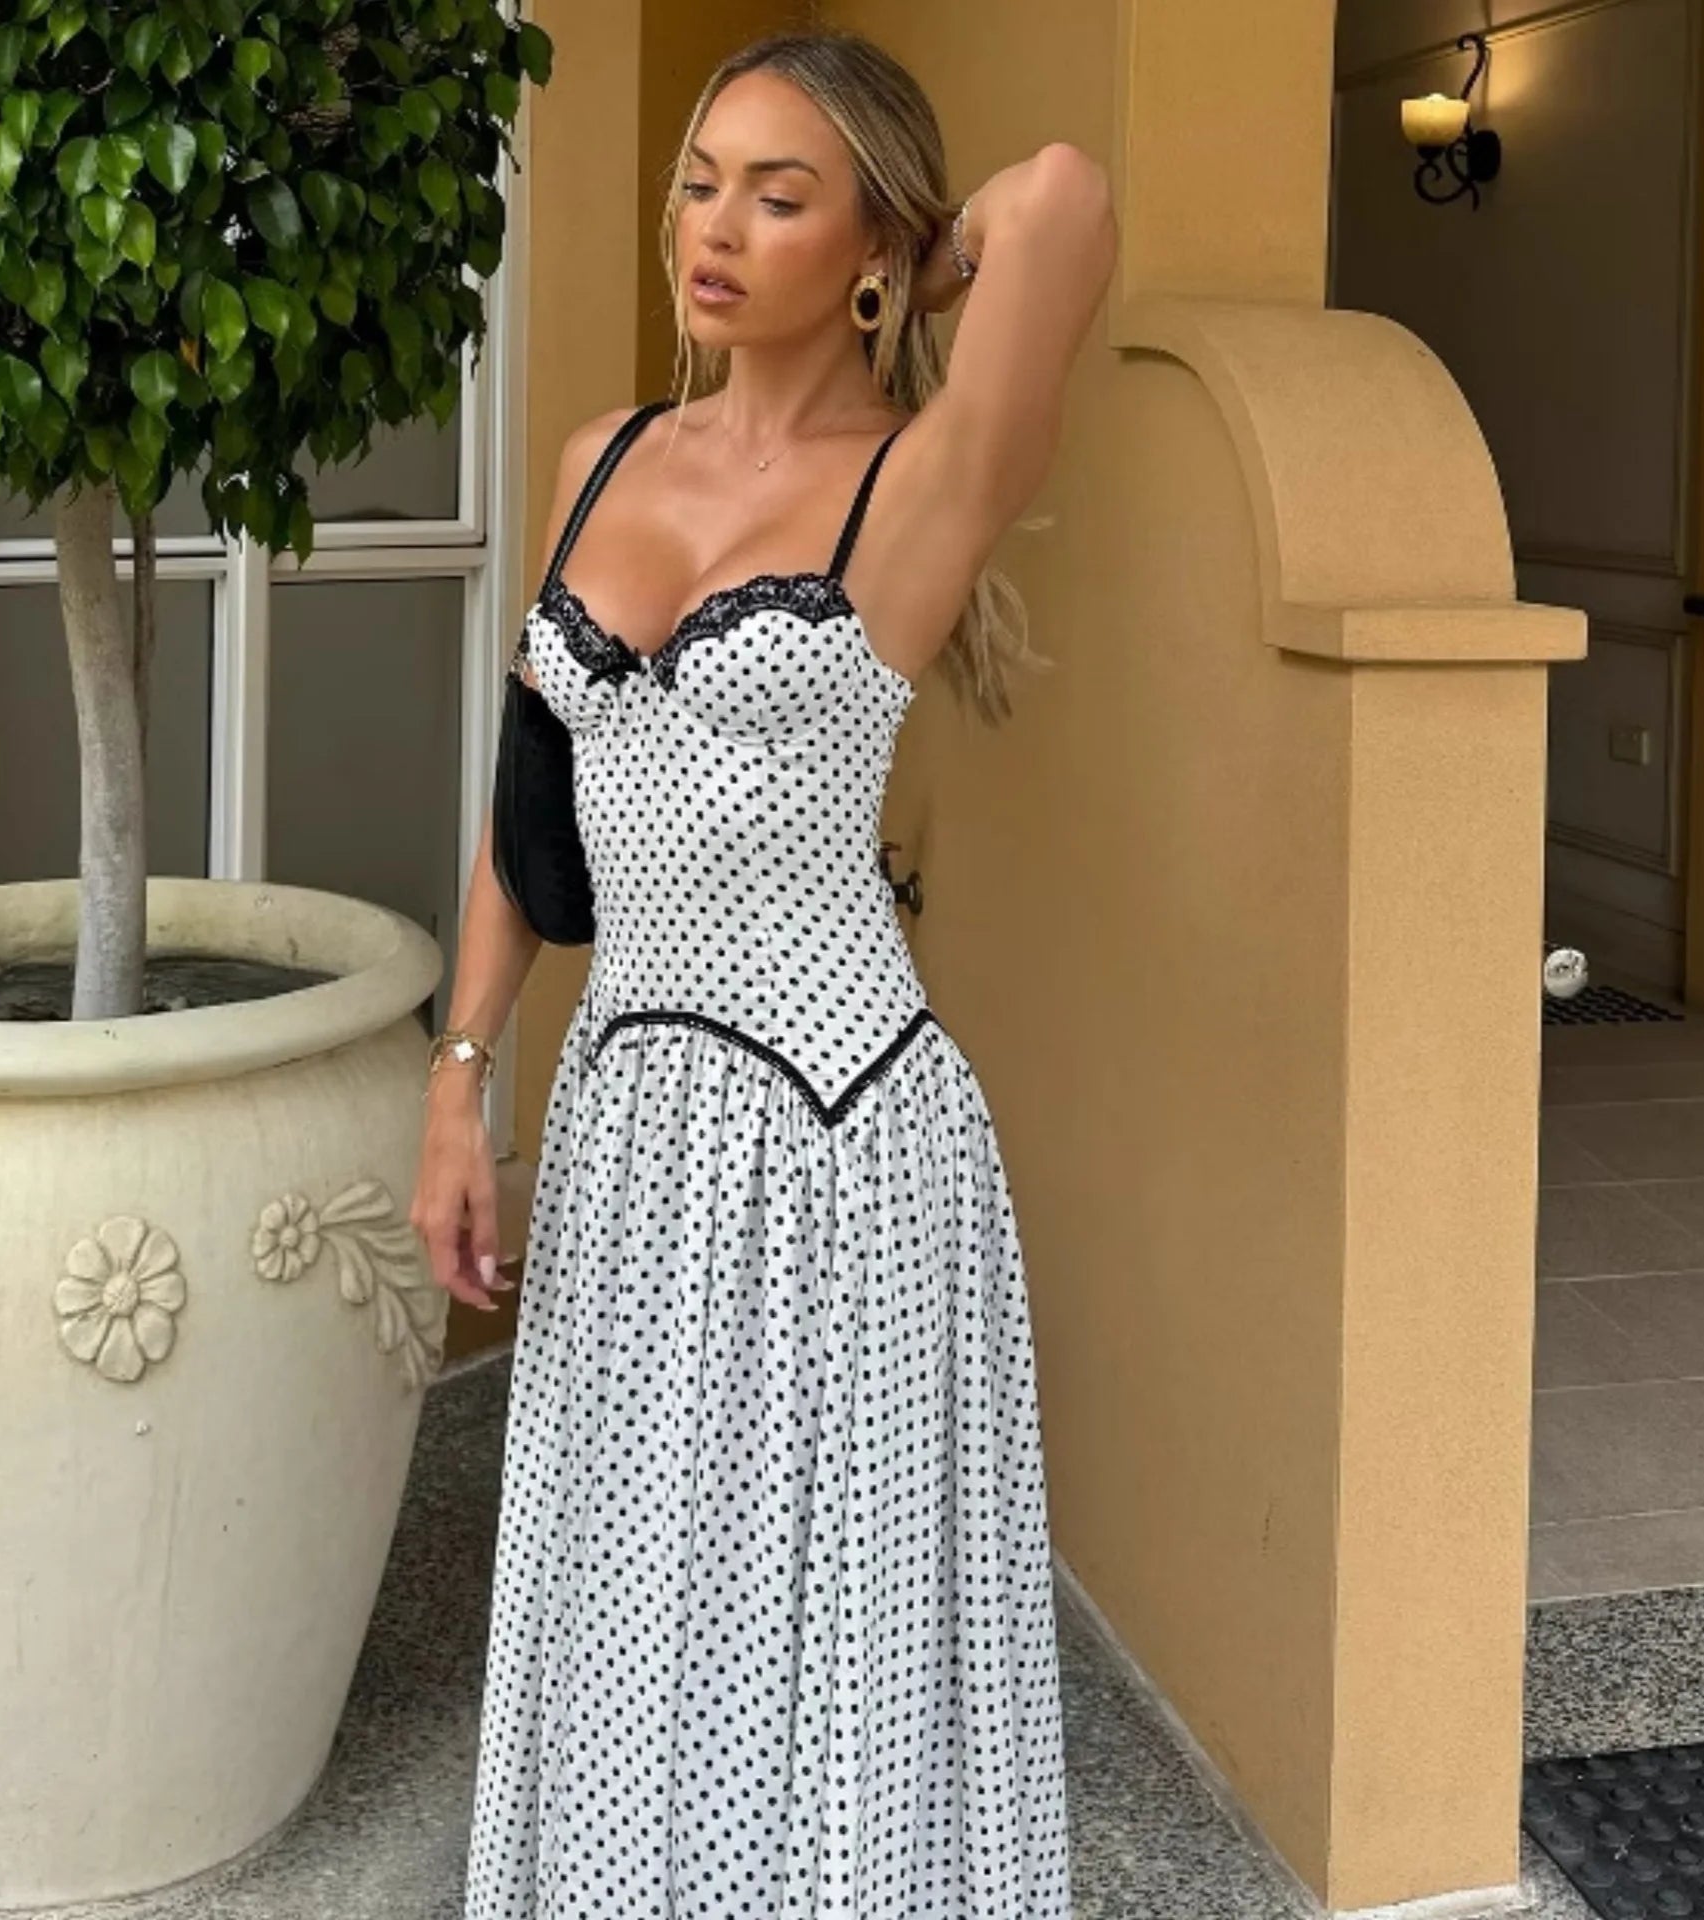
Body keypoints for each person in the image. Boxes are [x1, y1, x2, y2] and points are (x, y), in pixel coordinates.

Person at [412, 25, 1116, 1917]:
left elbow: (1065, 201)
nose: (711, 228)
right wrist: (457, 1084)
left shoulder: (927, 481)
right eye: (699, 182)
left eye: (778, 196)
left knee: (820, 1647)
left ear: (876, 241)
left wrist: (919, 254)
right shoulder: (597, 457)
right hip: (632, 1133)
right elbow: (526, 813)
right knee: (635, 1611)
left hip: (846, 1162)